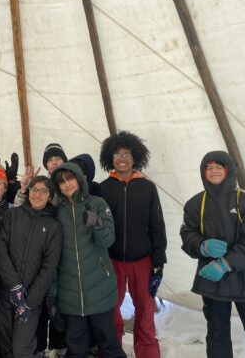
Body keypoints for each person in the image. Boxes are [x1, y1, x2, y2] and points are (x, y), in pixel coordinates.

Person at [180, 151, 245, 358]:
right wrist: (202, 246)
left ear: (228, 170)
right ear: (203, 172)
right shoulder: (195, 204)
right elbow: (188, 234)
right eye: (209, 167)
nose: (213, 171)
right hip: (213, 283)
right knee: (217, 337)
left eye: (218, 167)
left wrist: (226, 263)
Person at [99, 131, 167, 358]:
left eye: (127, 154)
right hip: (113, 260)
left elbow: (157, 225)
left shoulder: (147, 187)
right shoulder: (103, 188)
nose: (122, 159)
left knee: (145, 311)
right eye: (117, 154)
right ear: (111, 158)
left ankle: (147, 353)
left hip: (143, 260)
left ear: (135, 157)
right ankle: (111, 352)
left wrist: (159, 261)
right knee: (110, 310)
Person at [51, 162, 126, 358]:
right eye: (62, 182)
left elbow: (108, 239)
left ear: (79, 179)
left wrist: (98, 224)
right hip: (70, 293)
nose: (67, 185)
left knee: (109, 343)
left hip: (99, 287)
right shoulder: (57, 211)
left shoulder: (98, 203)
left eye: (70, 179)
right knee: (76, 347)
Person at [0, 175, 63, 357]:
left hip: (31, 299)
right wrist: (14, 284)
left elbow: (49, 267)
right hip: (5, 294)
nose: (37, 194)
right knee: (5, 346)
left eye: (43, 191)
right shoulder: (12, 215)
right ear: (28, 192)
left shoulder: (54, 226)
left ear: (50, 195)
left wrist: (29, 303)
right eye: (34, 190)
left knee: (22, 349)